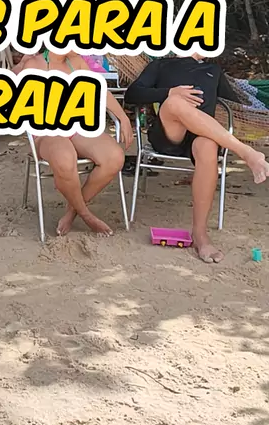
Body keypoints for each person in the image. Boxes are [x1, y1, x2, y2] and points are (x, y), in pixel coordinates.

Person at [124, 55, 269, 264]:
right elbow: (132, 94)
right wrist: (169, 92)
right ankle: (246, 153)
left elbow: (235, 106)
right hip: (169, 133)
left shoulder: (213, 70)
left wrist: (258, 114)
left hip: (200, 136)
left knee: (208, 146)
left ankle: (200, 235)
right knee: (175, 102)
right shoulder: (161, 64)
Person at [15, 50, 133, 237]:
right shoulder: (33, 64)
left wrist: (123, 118)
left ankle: (73, 211)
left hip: (75, 128)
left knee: (114, 157)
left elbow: (99, 91)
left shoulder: (76, 62)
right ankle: (86, 215)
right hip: (46, 131)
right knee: (64, 157)